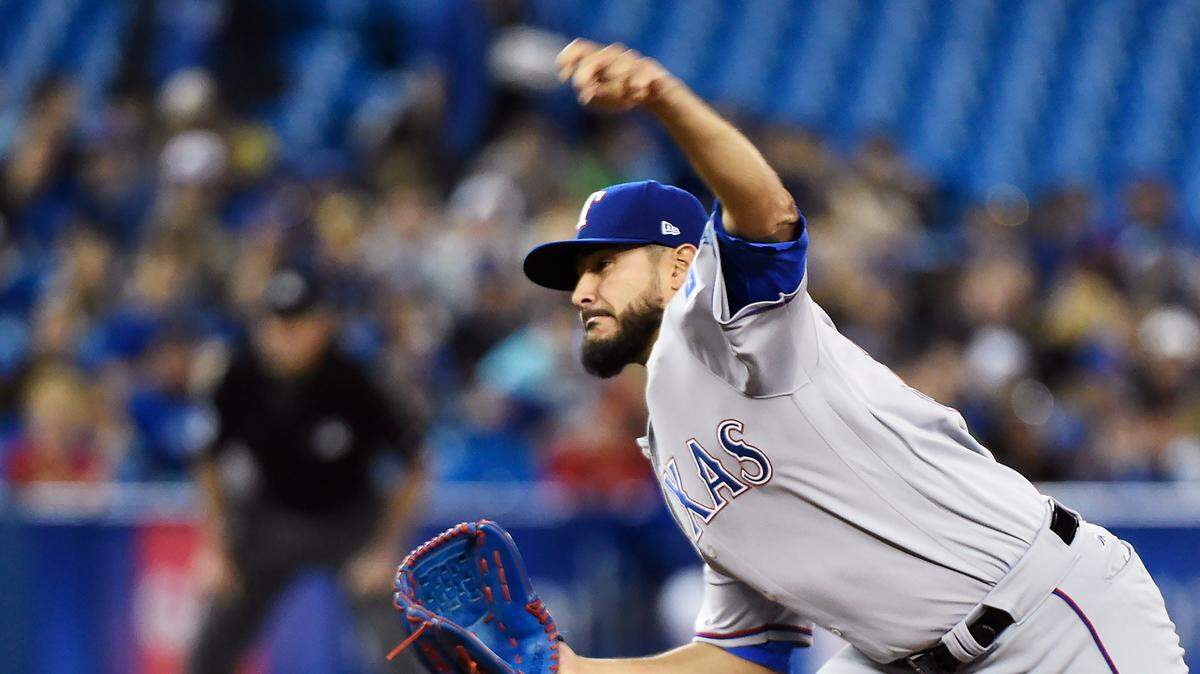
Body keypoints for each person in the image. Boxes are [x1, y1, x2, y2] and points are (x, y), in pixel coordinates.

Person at [520, 39, 1187, 673]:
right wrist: (575, 667)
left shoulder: (727, 324)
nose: (581, 291)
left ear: (679, 268)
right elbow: (747, 653)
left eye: (604, 265)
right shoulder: (669, 447)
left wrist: (665, 98)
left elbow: (769, 215)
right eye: (576, 275)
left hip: (1045, 619)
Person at [189, 265, 426, 674]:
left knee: (398, 646)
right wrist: (215, 548)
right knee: (209, 649)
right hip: (269, 518)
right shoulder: (238, 376)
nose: (285, 332)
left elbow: (414, 463)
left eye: (298, 321)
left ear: (323, 323)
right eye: (276, 321)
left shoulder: (356, 380)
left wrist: (383, 550)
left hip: (349, 520)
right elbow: (207, 459)